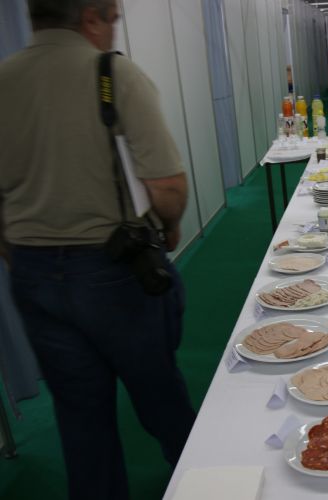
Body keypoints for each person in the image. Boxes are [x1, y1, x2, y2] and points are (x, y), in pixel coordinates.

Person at [0, 1, 196, 499]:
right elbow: (168, 186)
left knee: (80, 417)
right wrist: (170, 225)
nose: (113, 30)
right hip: (114, 270)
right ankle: (202, 481)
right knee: (160, 395)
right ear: (91, 16)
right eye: (113, 19)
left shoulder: (4, 80)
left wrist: (22, 254)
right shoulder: (111, 74)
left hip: (32, 273)